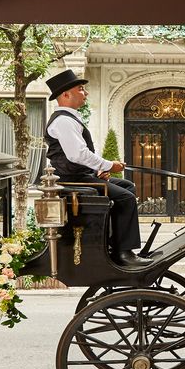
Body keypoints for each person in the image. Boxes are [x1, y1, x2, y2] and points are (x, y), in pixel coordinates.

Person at [42, 69, 152, 267]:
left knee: (127, 187)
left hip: (79, 176)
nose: (85, 93)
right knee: (126, 198)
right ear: (66, 94)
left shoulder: (69, 119)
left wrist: (97, 171)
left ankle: (115, 242)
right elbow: (77, 154)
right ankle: (124, 253)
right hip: (73, 179)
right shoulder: (64, 121)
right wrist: (110, 165)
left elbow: (78, 156)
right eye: (81, 89)